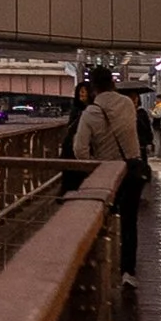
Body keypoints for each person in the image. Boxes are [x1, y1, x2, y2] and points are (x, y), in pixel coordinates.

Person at [68, 62, 149, 288]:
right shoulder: (127, 104)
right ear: (113, 83)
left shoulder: (90, 113)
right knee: (130, 221)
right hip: (131, 169)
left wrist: (95, 162)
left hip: (106, 173)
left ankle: (99, 268)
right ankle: (128, 272)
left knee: (101, 219)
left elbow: (79, 150)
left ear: (93, 89)